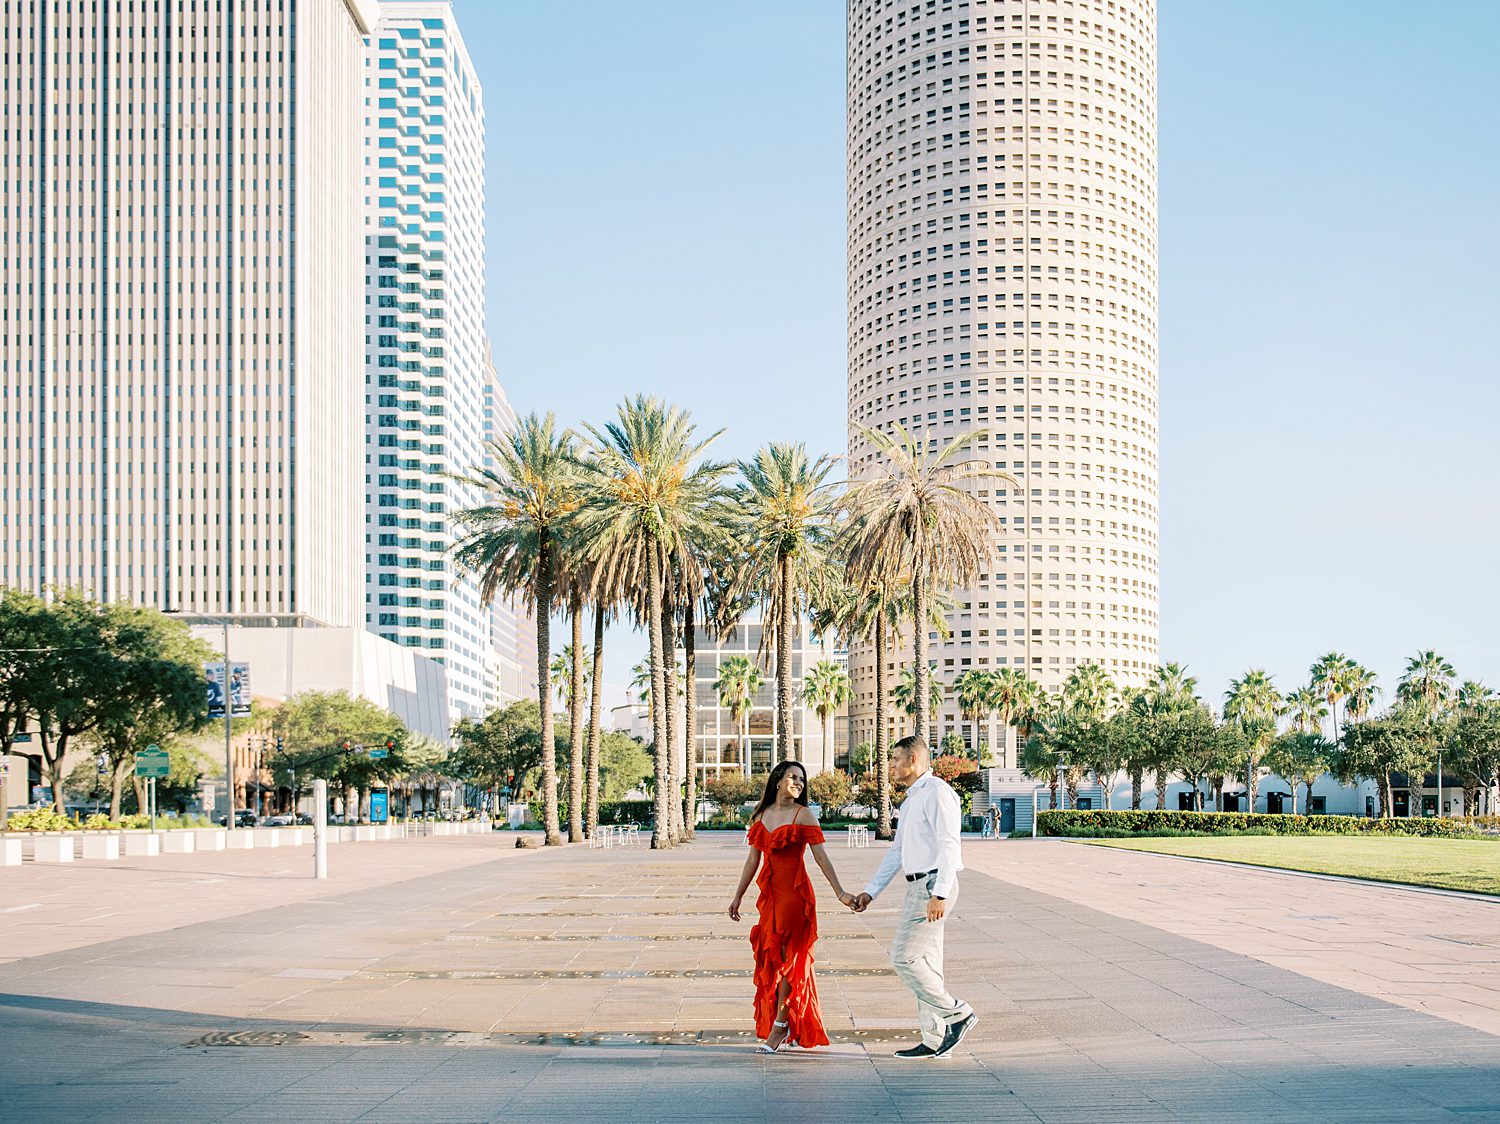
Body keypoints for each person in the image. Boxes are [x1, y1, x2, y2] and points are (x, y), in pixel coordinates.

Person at [852, 734, 977, 1059]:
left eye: (895, 759)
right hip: (918, 885)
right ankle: (936, 1039)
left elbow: (950, 844)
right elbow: (897, 852)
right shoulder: (911, 801)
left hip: (933, 885)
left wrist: (940, 894)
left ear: (913, 760)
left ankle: (957, 1013)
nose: (891, 765)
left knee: (904, 958)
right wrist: (871, 892)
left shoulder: (937, 793)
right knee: (927, 963)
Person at [728, 759, 858, 1053]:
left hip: (796, 898)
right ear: (777, 780)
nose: (799, 783)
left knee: (791, 961)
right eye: (793, 777)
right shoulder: (760, 815)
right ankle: (785, 1023)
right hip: (771, 897)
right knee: (772, 959)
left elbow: (821, 857)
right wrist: (737, 896)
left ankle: (780, 1025)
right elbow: (753, 860)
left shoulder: (804, 815)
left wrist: (840, 893)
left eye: (802, 779)